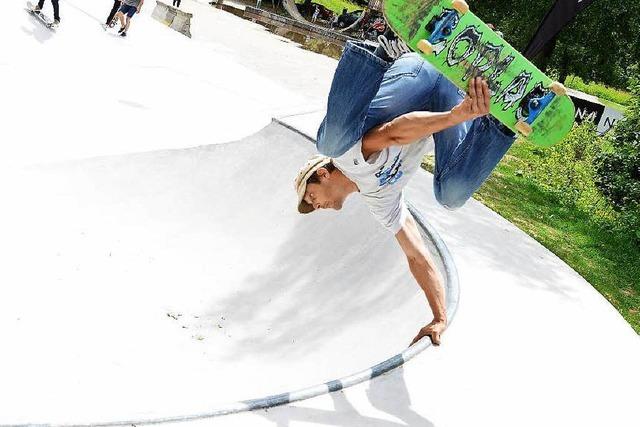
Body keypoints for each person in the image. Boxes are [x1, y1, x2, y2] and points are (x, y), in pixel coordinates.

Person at [294, 32, 515, 346]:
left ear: (322, 175)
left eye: (311, 197)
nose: (318, 206)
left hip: (418, 74)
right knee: (450, 196)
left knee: (329, 141)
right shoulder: (381, 201)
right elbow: (417, 257)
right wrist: (439, 317)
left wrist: (454, 118)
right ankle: (498, 121)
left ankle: (376, 53)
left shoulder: (345, 156)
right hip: (448, 93)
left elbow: (394, 133)